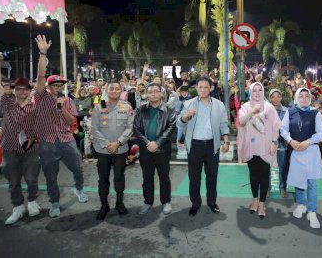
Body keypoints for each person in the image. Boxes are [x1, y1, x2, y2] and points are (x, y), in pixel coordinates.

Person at [34, 35, 88, 218]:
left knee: (78, 168)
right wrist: (43, 52)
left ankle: (79, 189)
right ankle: (54, 202)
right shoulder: (40, 97)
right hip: (47, 142)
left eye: (60, 85)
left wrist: (61, 106)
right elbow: (41, 76)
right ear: (48, 87)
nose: (58, 87)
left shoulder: (68, 101)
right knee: (51, 175)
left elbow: (69, 122)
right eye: (54, 85)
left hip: (66, 140)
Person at [0, 50, 39, 225]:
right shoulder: (6, 104)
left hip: (30, 149)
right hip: (10, 149)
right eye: (18, 89)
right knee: (13, 180)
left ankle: (32, 202)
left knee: (32, 178)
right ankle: (17, 207)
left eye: (24, 89)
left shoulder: (35, 107)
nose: (21, 92)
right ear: (13, 90)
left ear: (29, 91)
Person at [179, 77, 230, 216]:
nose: (203, 90)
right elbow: (179, 123)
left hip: (212, 145)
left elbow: (224, 125)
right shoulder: (188, 104)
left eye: (206, 87)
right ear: (196, 88)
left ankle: (212, 202)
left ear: (210, 88)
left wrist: (226, 141)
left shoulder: (219, 105)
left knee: (212, 175)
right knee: (194, 176)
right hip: (194, 145)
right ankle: (195, 203)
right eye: (200, 87)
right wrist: (184, 117)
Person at [280, 87, 322, 228]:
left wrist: (308, 142)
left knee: (311, 182)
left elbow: (321, 132)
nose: (304, 99)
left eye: (307, 96)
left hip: (310, 151)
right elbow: (283, 129)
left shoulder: (315, 113)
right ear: (296, 98)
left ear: (310, 98)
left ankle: (312, 210)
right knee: (298, 180)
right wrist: (291, 141)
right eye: (301, 96)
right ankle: (301, 204)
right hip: (295, 151)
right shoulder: (290, 111)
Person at [91, 81, 134, 220]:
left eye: (117, 88)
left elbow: (130, 127)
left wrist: (118, 143)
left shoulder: (127, 107)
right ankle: (104, 205)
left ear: (121, 91)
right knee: (103, 179)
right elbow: (94, 129)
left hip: (120, 150)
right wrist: (107, 144)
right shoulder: (99, 107)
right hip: (103, 151)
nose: (114, 90)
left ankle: (119, 203)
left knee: (119, 177)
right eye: (112, 88)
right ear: (107, 90)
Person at [237, 82, 281, 219]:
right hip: (251, 148)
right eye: (254, 90)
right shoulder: (245, 107)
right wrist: (252, 111)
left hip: (265, 147)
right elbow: (241, 121)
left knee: (264, 176)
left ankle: (262, 204)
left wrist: (274, 142)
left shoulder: (269, 108)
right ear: (250, 92)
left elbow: (276, 127)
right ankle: (255, 200)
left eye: (259, 90)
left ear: (263, 92)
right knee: (253, 176)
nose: (257, 93)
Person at [133, 82, 177, 215]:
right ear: (147, 94)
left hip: (162, 149)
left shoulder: (169, 110)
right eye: (150, 91)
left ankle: (166, 202)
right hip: (145, 149)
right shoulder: (141, 109)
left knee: (164, 177)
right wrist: (148, 143)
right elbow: (136, 129)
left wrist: (157, 143)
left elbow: (171, 128)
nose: (152, 93)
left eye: (155, 91)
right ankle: (148, 202)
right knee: (147, 177)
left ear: (161, 93)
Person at [268, 88, 289, 198]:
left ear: (281, 97)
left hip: (282, 143)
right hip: (269, 143)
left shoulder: (287, 111)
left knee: (283, 167)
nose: (275, 99)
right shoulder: (266, 111)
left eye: (278, 96)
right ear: (270, 98)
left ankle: (283, 187)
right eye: (273, 96)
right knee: (267, 167)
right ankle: (267, 188)